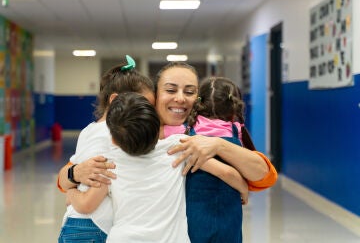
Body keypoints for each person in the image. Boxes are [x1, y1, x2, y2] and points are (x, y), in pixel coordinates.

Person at [60, 62, 277, 240]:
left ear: (199, 100)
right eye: (170, 90)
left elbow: (264, 177)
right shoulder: (131, 134)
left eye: (190, 92)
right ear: (154, 97)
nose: (180, 98)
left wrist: (218, 145)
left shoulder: (205, 135)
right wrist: (74, 173)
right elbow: (66, 180)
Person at [66, 92, 191, 243]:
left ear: (113, 140)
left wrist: (71, 191)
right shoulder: (178, 147)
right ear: (158, 126)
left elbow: (86, 205)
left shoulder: (110, 164)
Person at [57, 55, 155, 243]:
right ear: (114, 100)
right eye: (143, 105)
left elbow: (70, 172)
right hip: (93, 226)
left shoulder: (89, 130)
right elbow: (88, 201)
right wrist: (72, 193)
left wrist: (71, 188)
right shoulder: (114, 135)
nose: (147, 113)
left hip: (76, 222)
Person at [163, 76, 260, 242]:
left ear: (199, 103)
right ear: (234, 106)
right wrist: (244, 189)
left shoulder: (182, 131)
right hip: (230, 211)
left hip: (194, 212)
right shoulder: (236, 130)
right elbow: (241, 168)